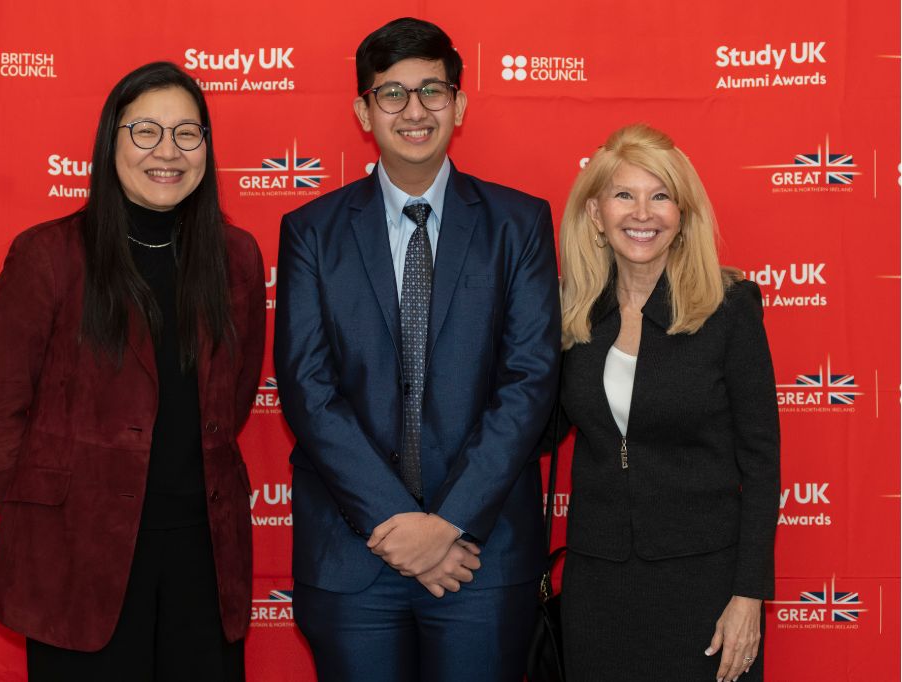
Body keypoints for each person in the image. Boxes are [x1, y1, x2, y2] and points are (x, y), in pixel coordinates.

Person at [273, 17, 561, 682]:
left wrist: (448, 524)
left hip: (480, 556)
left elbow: (529, 380)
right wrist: (398, 522)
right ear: (362, 110)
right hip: (352, 556)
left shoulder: (518, 225)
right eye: (391, 93)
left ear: (459, 104)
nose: (414, 110)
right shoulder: (311, 232)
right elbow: (308, 388)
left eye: (432, 90)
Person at [0, 61, 265, 681]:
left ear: (206, 146)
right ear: (111, 141)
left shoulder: (235, 257)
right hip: (80, 557)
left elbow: (230, 397)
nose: (168, 151)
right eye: (146, 131)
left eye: (187, 133)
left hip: (205, 557)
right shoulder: (49, 254)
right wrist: (59, 504)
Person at [553, 123, 780, 681]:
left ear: (682, 216)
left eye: (661, 197)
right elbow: (532, 433)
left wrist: (748, 597)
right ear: (595, 214)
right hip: (597, 585)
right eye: (624, 195)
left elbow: (762, 461)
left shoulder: (728, 308)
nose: (643, 213)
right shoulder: (568, 314)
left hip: (705, 586)